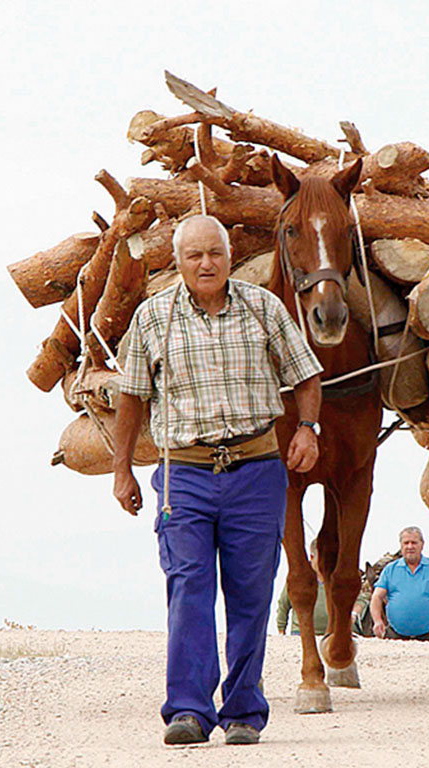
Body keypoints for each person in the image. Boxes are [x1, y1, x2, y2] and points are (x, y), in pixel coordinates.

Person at [112, 214, 323, 746]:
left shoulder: (263, 308)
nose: (206, 264)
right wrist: (122, 470)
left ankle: (243, 710)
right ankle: (186, 708)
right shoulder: (153, 317)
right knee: (189, 586)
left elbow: (306, 373)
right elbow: (132, 398)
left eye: (215, 254)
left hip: (256, 472)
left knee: (251, 594)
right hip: (182, 474)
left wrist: (307, 428)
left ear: (229, 256)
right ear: (178, 262)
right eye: (194, 256)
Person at [369, 526, 429, 642]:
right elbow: (377, 597)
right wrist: (377, 621)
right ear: (401, 545)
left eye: (414, 543)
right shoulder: (390, 570)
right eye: (406, 543)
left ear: (422, 544)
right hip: (395, 636)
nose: (410, 547)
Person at [277, 538, 328, 636]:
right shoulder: (300, 578)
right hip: (300, 633)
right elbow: (283, 604)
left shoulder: (335, 580)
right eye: (322, 557)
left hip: (329, 633)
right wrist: (281, 630)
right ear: (312, 557)